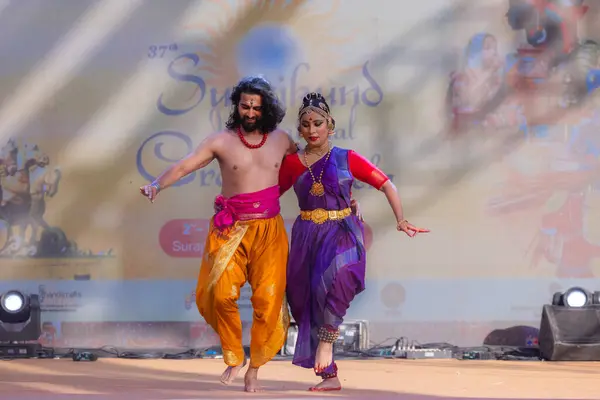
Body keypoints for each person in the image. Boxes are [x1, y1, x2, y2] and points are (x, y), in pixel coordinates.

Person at [139, 76, 297, 392]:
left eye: (256, 107)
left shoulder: (282, 139)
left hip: (269, 231)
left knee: (267, 300)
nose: (250, 112)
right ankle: (234, 355)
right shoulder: (220, 141)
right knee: (222, 294)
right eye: (245, 105)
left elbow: (310, 167)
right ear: (237, 106)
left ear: (266, 109)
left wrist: (344, 196)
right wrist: (157, 184)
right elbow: (185, 166)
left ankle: (255, 369)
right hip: (230, 230)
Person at [279, 92, 429, 392]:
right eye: (306, 124)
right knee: (303, 299)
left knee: (341, 279)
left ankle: (325, 345)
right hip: (307, 235)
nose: (312, 130)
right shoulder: (293, 163)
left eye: (318, 123)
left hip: (342, 230)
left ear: (330, 125)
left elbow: (386, 183)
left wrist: (400, 220)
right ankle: (330, 376)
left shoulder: (346, 158)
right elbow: (269, 196)